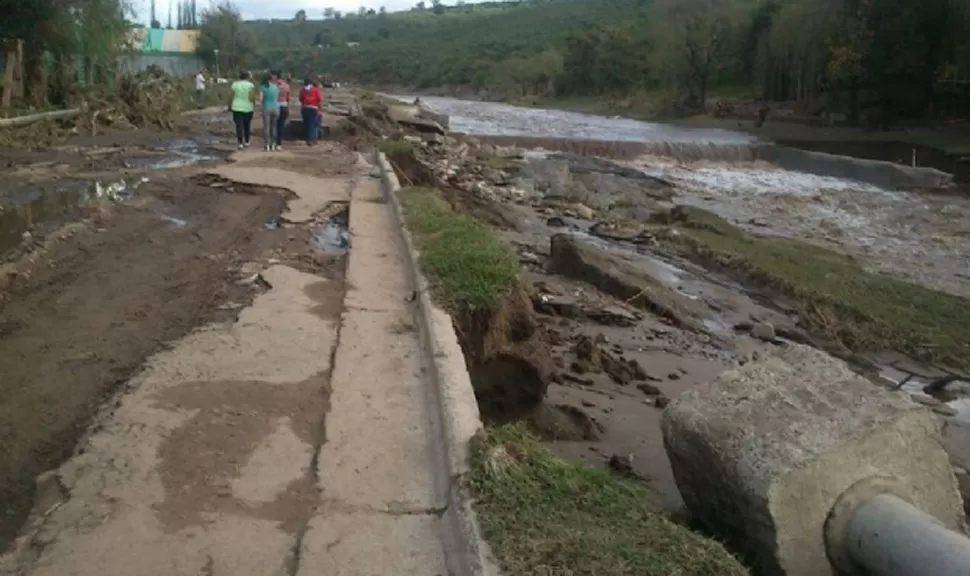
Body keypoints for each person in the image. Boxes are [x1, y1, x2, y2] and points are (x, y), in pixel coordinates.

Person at [229, 71, 256, 149]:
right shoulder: (250, 85)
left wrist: (229, 106)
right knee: (247, 125)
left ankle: (240, 143)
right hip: (248, 108)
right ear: (247, 77)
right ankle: (247, 141)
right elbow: (251, 97)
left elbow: (231, 96)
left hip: (236, 107)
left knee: (239, 126)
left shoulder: (234, 85)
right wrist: (253, 104)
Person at [258, 73, 281, 151]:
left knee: (266, 128)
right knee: (274, 127)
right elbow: (277, 98)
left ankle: (267, 145)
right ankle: (273, 144)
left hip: (266, 107)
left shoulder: (262, 87)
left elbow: (260, 99)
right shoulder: (276, 87)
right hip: (276, 108)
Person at [299, 78, 323, 146]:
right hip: (313, 108)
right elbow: (319, 99)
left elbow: (300, 99)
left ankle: (307, 138)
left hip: (305, 108)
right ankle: (310, 140)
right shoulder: (315, 89)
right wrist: (320, 109)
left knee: (306, 124)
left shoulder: (303, 90)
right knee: (312, 125)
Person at [272, 70, 291, 150]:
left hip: (274, 106)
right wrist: (288, 109)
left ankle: (272, 143)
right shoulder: (286, 86)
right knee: (281, 126)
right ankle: (279, 144)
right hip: (284, 106)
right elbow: (288, 99)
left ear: (276, 76)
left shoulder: (273, 85)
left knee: (273, 125)